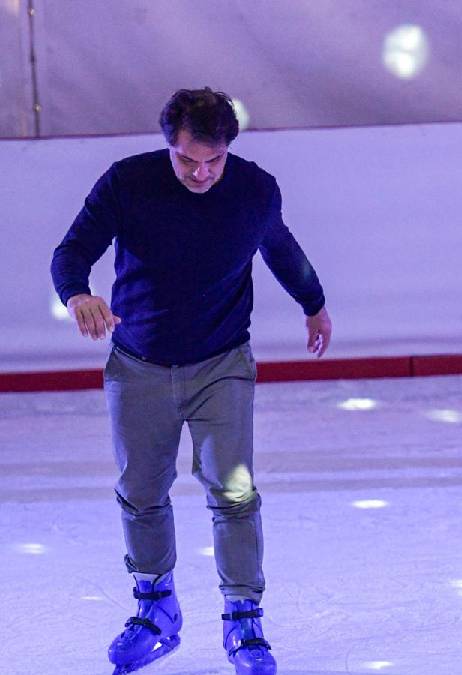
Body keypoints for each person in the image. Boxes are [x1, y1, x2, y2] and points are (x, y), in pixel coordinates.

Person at [51, 87, 331, 675]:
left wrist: (314, 302)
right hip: (137, 365)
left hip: (222, 363)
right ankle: (156, 610)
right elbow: (71, 250)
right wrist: (77, 293)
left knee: (233, 491)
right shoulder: (127, 184)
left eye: (213, 161)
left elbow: (279, 246)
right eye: (187, 161)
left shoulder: (254, 188)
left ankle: (243, 620)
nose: (201, 173)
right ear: (167, 147)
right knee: (141, 490)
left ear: (229, 149)